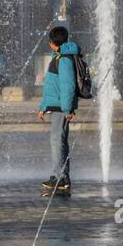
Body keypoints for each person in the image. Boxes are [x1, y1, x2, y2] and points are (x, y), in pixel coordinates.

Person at [38, 25, 80, 197]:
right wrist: (43, 107)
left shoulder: (63, 59)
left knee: (57, 141)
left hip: (61, 108)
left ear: (52, 43)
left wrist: (67, 108)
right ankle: (60, 176)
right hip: (56, 106)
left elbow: (67, 86)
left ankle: (60, 177)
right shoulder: (59, 58)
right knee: (58, 141)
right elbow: (51, 86)